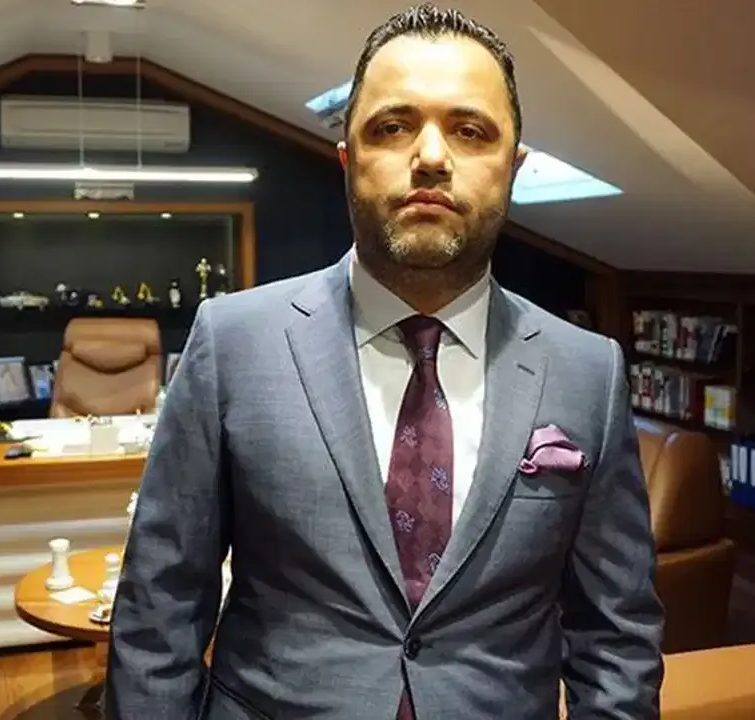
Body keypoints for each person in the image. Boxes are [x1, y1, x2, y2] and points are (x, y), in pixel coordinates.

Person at [106, 4, 664, 718]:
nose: (430, 157)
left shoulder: (589, 371)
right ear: (348, 160)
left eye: (470, 131)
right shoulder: (232, 342)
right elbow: (160, 607)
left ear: (514, 167)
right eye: (393, 127)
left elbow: (616, 634)